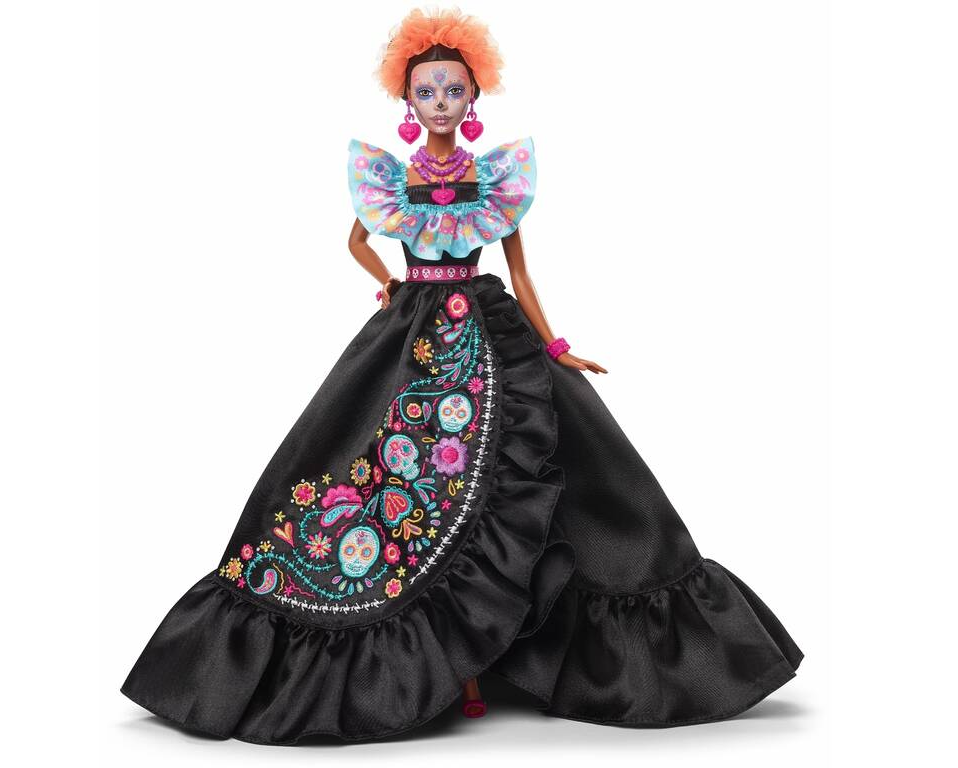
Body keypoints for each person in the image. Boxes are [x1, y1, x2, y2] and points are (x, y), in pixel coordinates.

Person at [121, 6, 803, 745]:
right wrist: (387, 283)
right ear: (407, 101)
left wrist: (556, 345)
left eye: (452, 90)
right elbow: (354, 241)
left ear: (472, 98)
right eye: (426, 92)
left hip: (488, 326)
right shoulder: (390, 179)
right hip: (411, 330)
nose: (440, 102)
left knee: (571, 461)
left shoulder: (494, 179)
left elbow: (522, 271)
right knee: (364, 460)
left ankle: (552, 644)